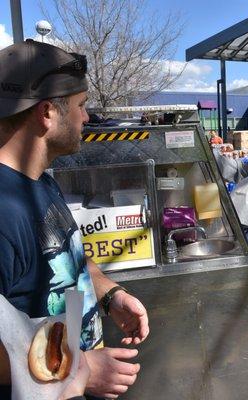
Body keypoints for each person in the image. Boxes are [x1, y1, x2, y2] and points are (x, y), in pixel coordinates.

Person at [0, 40, 149, 398]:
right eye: (81, 106)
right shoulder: (4, 212)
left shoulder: (41, 182)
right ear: (48, 112)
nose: (87, 117)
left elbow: (68, 257)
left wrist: (109, 294)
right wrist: (78, 368)